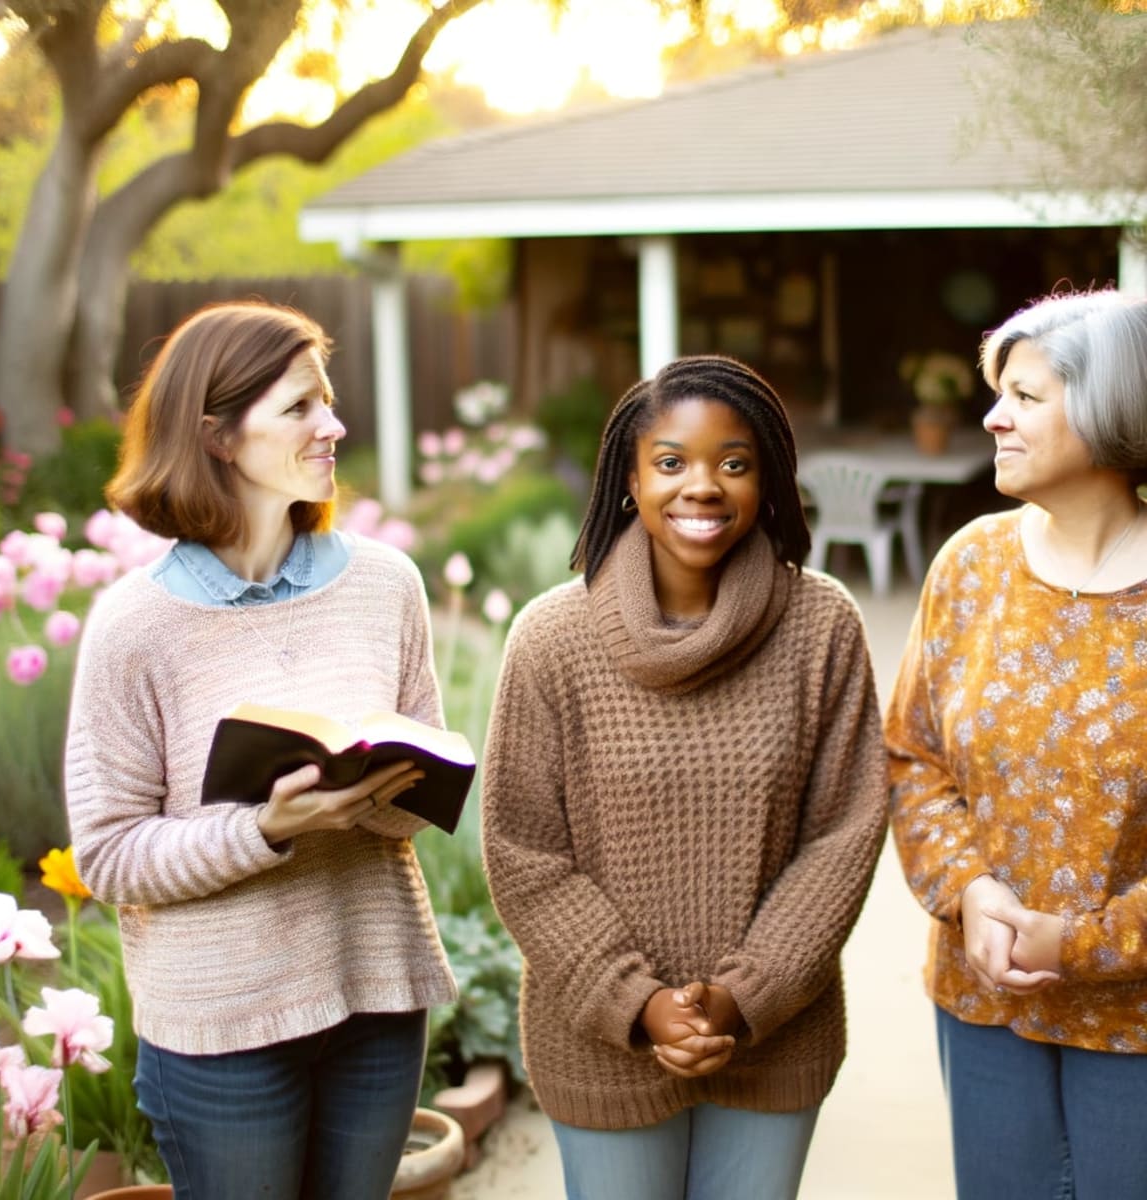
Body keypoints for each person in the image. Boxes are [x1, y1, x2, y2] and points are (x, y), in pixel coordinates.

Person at [64, 300, 457, 1200]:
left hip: (377, 997)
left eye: (329, 401)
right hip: (218, 1031)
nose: (334, 426)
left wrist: (386, 792)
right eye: (301, 408)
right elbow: (111, 854)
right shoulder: (137, 627)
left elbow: (422, 789)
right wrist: (267, 830)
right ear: (217, 437)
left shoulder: (385, 585)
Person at [480, 354, 889, 1200]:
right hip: (599, 1035)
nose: (702, 485)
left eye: (733, 463)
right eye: (671, 462)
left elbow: (844, 833)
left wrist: (743, 996)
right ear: (629, 479)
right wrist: (639, 1003)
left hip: (776, 1032)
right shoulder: (552, 639)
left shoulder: (822, 627)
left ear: (767, 479)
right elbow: (524, 852)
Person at [886, 289, 1147, 1200]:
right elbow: (912, 758)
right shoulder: (970, 563)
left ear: (1114, 409)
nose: (993, 415)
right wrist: (971, 892)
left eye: (1027, 397)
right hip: (982, 1005)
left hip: (1137, 1026)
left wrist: (1081, 942)